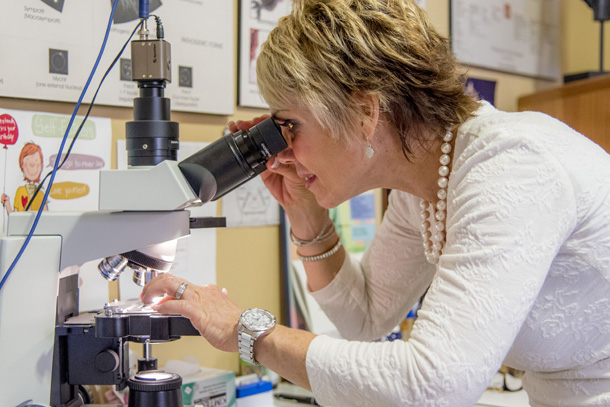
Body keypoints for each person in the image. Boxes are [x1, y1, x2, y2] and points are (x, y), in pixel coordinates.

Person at [141, 0, 610, 405]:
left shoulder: (510, 168)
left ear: (365, 112)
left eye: (290, 126)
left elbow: (434, 385)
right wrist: (308, 214)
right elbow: (365, 317)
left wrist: (247, 332)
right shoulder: (428, 182)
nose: (280, 151)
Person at [1, 142, 49, 213]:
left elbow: (47, 217)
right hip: (21, 224)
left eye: (36, 161)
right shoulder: (20, 191)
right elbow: (14, 217)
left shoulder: (41, 194)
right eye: (28, 160)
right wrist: (7, 203)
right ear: (22, 164)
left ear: (41, 166)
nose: (32, 165)